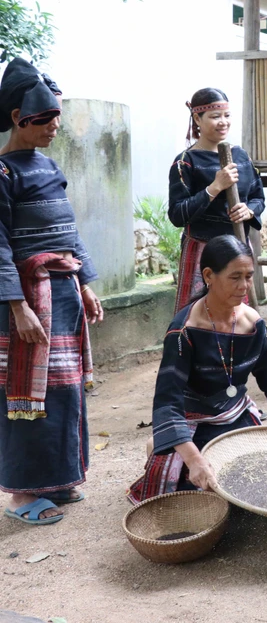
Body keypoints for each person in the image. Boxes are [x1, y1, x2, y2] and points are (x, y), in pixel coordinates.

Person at [128, 235, 267, 503]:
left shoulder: (253, 323)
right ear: (209, 275)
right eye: (235, 277)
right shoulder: (184, 331)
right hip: (194, 423)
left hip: (235, 416)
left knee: (263, 476)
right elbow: (168, 404)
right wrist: (193, 458)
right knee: (197, 487)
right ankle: (162, 447)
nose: (245, 286)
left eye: (249, 276)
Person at [0, 58, 103, 525]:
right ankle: (23, 496)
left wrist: (84, 283)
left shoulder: (49, 165)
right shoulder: (3, 174)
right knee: (26, 395)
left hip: (61, 294)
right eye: (44, 121)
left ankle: (58, 481)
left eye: (56, 120)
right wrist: (17, 306)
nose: (54, 129)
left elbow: (68, 230)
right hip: (26, 299)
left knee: (64, 389)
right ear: (19, 119)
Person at [169, 88, 264, 312]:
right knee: (200, 315)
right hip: (202, 251)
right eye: (215, 117)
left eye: (227, 116)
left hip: (238, 249)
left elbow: (258, 196)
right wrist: (214, 187)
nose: (223, 122)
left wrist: (249, 211)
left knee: (238, 315)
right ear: (197, 118)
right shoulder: (186, 162)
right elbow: (177, 214)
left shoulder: (241, 156)